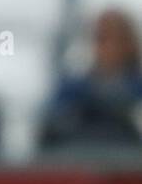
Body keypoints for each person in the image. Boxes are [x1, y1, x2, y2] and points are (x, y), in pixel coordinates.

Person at [40, 9, 142, 149]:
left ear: (129, 44)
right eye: (99, 38)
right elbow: (50, 127)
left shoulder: (137, 89)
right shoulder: (72, 89)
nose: (105, 47)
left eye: (114, 38)